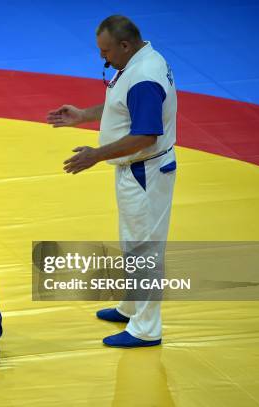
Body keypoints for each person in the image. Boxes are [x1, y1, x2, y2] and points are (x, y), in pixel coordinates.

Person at [46, 15, 177, 347]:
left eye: (105, 51)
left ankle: (147, 328)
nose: (102, 58)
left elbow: (145, 135)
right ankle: (132, 305)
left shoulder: (145, 76)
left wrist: (96, 154)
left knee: (145, 249)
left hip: (145, 170)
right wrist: (85, 115)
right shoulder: (142, 59)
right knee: (133, 243)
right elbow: (124, 105)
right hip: (138, 170)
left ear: (124, 45)